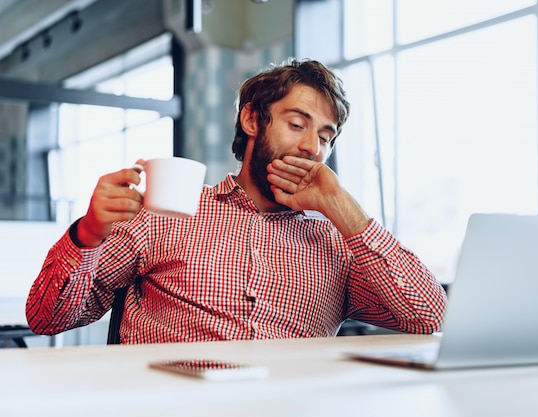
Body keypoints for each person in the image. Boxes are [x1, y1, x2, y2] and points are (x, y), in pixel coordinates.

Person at [26, 58, 447, 344]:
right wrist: (87, 235)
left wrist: (343, 208)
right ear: (251, 120)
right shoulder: (165, 214)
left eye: (325, 137)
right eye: (297, 124)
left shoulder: (338, 245)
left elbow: (430, 318)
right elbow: (48, 318)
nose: (311, 148)